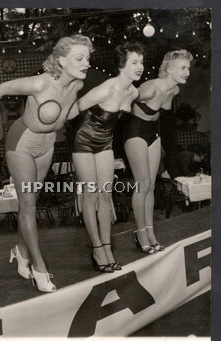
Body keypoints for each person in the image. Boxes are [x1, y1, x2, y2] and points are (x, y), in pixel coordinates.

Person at [0, 34, 93, 292]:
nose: (86, 62)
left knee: (30, 203)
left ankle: (20, 250)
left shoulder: (76, 85)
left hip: (47, 144)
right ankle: (38, 269)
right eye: (79, 57)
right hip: (22, 143)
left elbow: (68, 111)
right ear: (62, 61)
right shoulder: (40, 83)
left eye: (87, 57)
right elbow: (1, 89)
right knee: (28, 206)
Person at [71, 41, 145, 272]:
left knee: (105, 197)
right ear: (122, 65)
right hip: (83, 142)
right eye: (135, 62)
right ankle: (97, 249)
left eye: (141, 61)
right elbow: (76, 107)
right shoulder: (108, 87)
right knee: (91, 197)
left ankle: (107, 248)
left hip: (105, 144)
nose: (140, 66)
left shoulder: (133, 92)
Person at [122, 49, 193, 254]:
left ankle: (151, 233)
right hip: (134, 131)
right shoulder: (152, 87)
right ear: (169, 69)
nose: (187, 72)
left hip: (153, 133)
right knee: (142, 185)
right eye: (183, 68)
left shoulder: (175, 91)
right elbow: (124, 97)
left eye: (188, 67)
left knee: (151, 186)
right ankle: (140, 233)